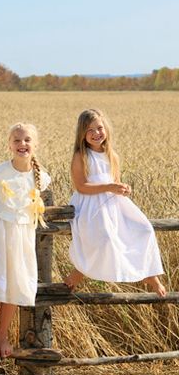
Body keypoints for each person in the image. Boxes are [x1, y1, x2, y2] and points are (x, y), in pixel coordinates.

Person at [0, 123, 51, 357]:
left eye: (27, 140)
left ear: (36, 145)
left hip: (21, 234)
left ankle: (3, 333)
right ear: (9, 144)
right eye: (16, 140)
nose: (22, 144)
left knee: (14, 282)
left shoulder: (42, 178)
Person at [64, 109, 165, 296]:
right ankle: (79, 272)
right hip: (90, 205)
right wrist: (109, 186)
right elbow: (81, 186)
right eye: (90, 130)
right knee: (105, 237)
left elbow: (115, 183)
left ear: (106, 129)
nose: (96, 133)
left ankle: (150, 274)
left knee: (144, 229)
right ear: (82, 134)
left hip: (112, 204)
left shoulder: (112, 156)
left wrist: (123, 189)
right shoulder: (81, 156)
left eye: (99, 128)